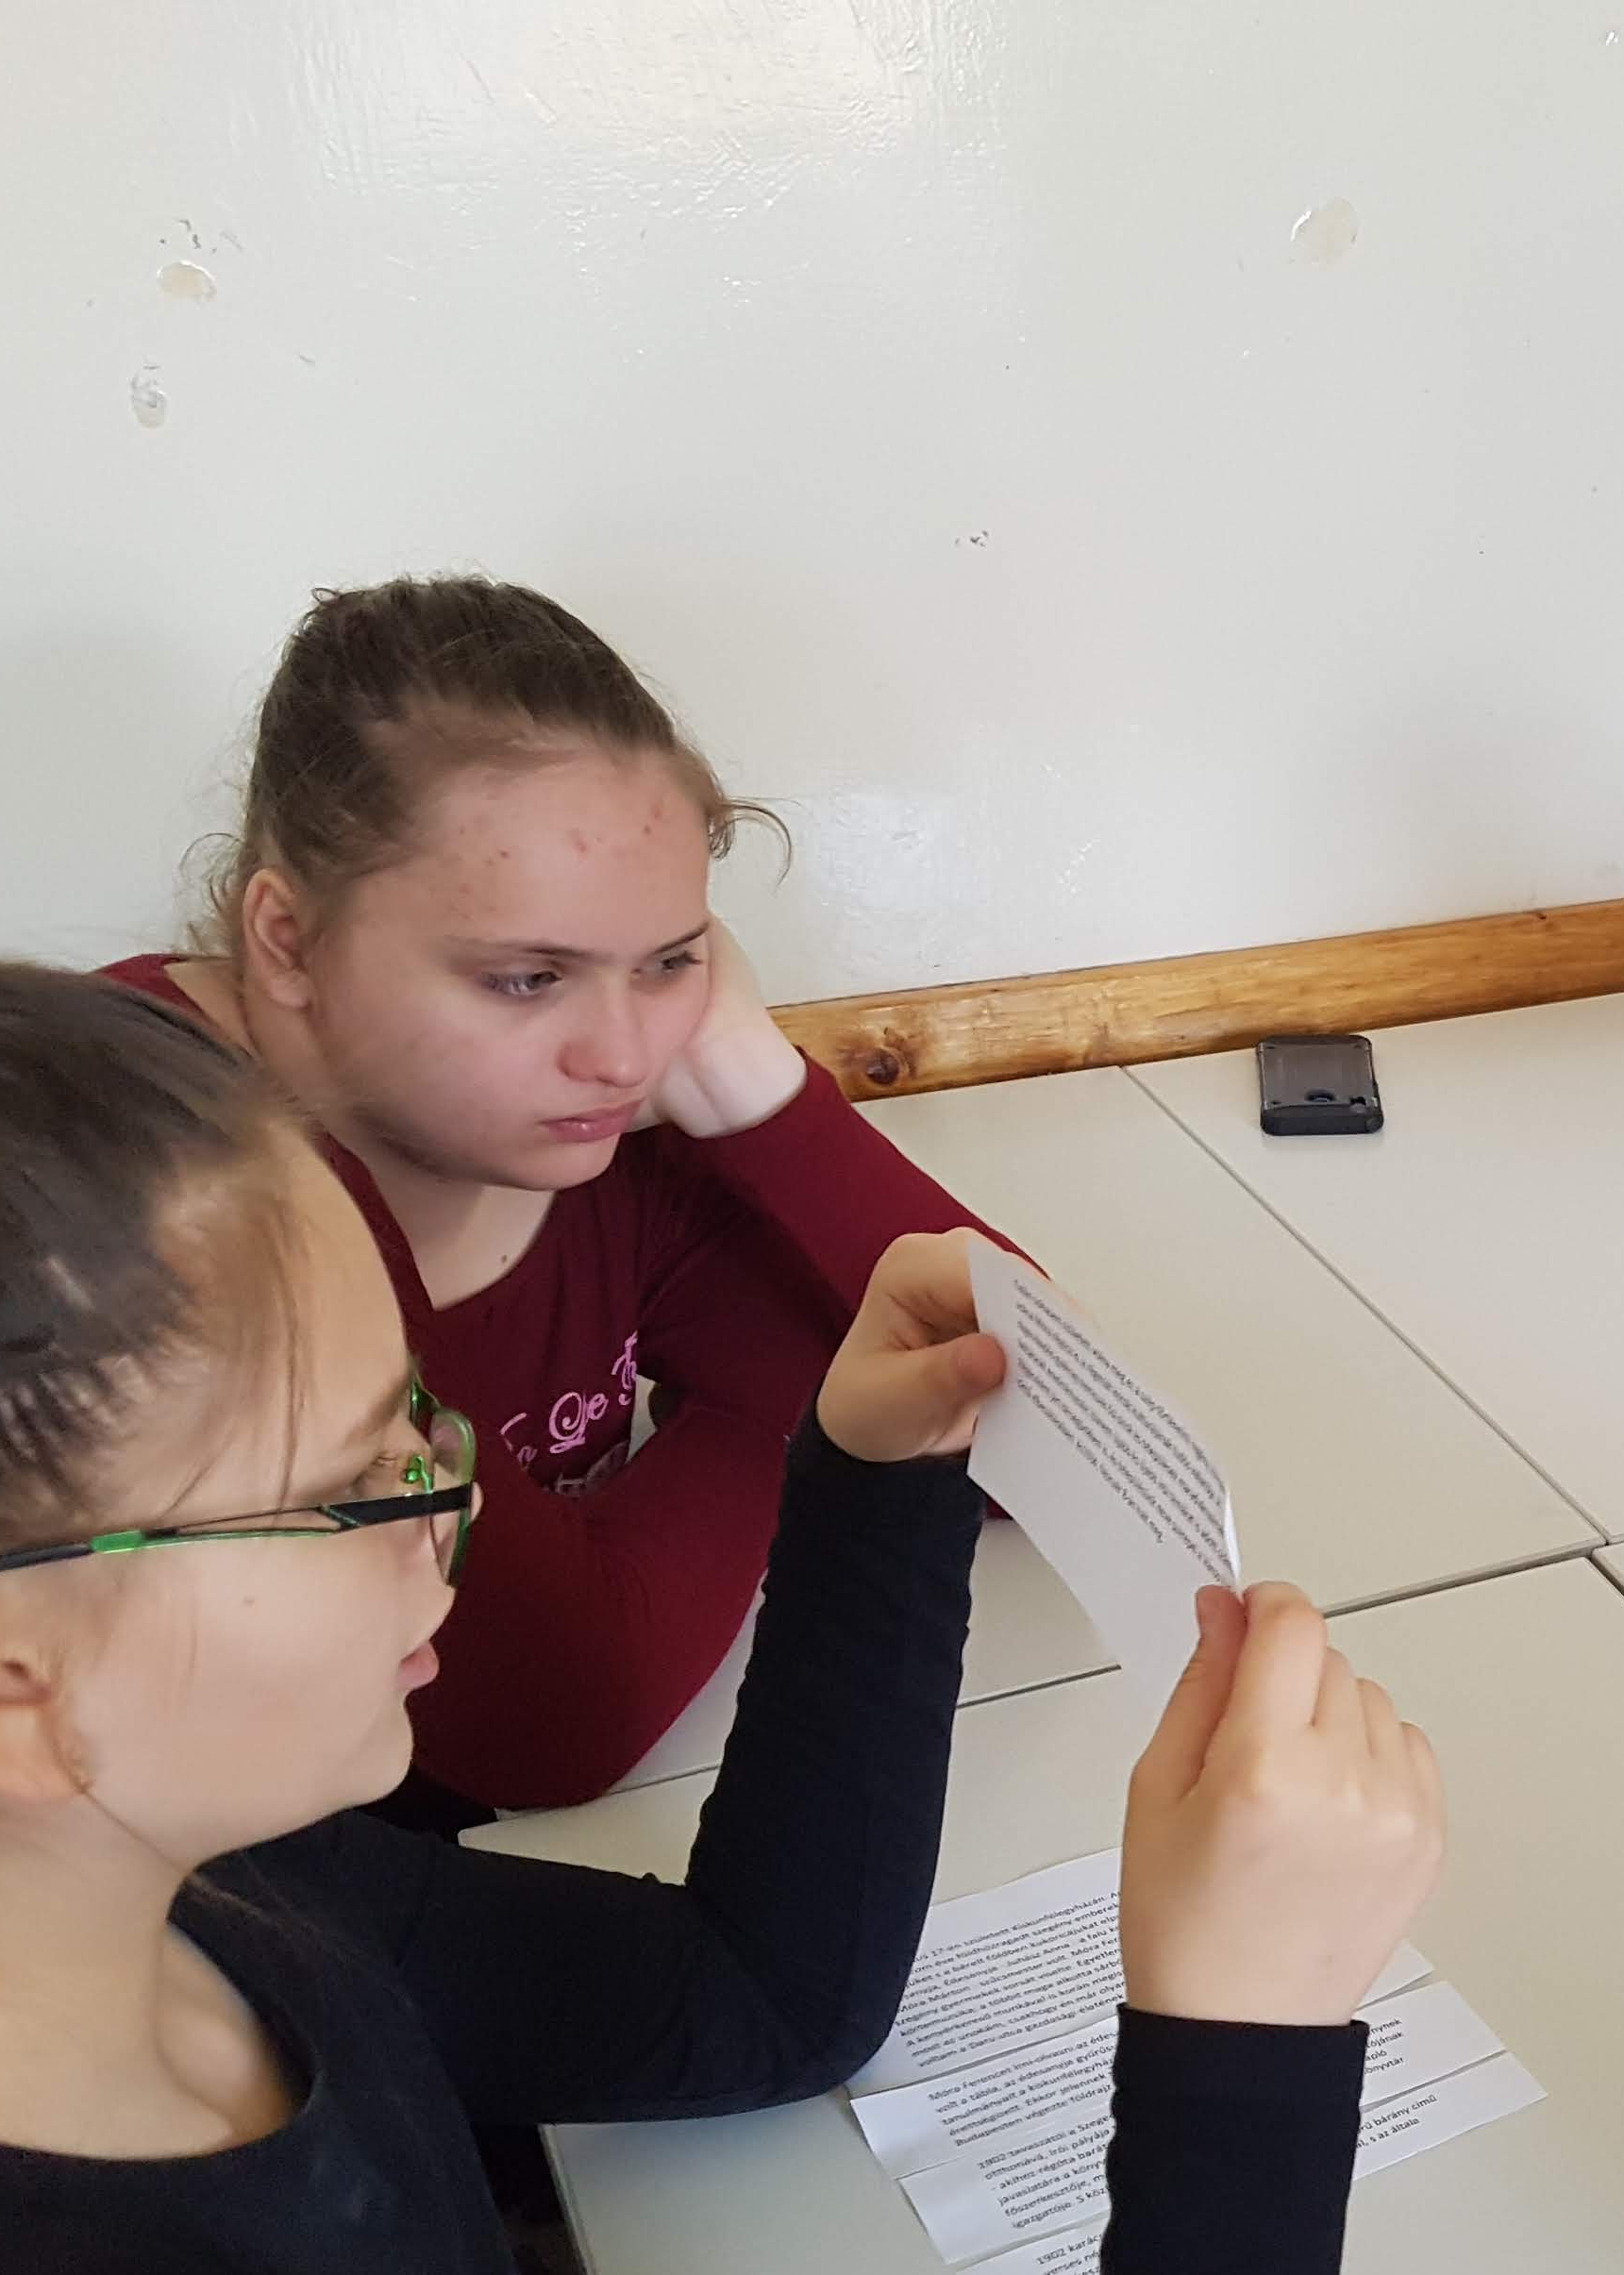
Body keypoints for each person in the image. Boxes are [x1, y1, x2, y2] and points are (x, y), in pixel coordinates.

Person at [0, 942, 1442, 2275]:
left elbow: (751, 1997)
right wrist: (1244, 2058)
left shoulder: (174, 1883)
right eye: (358, 1482)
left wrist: (873, 1486)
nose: (453, 1503)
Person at [107, 574, 1006, 1814]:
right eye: (528, 979)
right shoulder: (154, 1169)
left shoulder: (603, 1117)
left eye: (672, 960)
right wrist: (809, 1417)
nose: (622, 1055)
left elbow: (1041, 1443)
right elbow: (565, 1714)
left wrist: (757, 1090)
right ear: (286, 940)